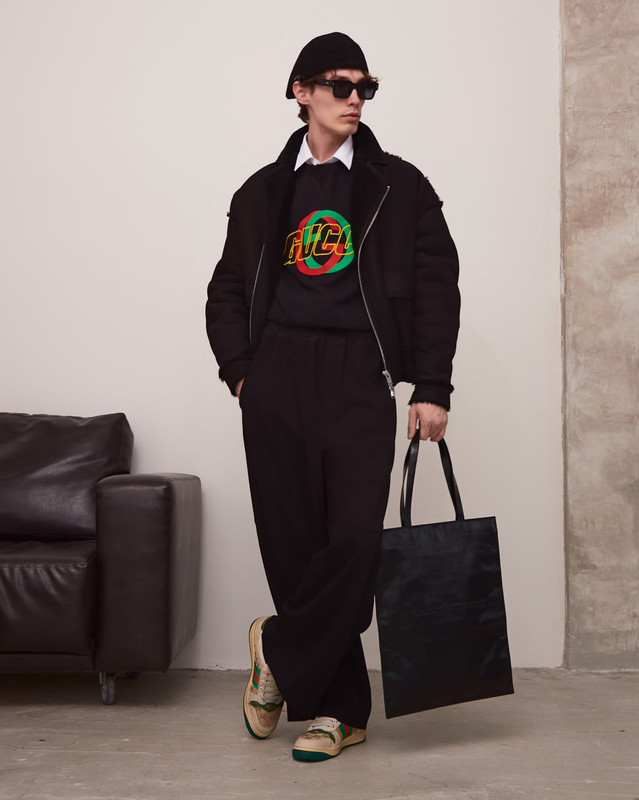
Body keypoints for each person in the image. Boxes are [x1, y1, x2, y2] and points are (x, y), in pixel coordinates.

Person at [205, 31, 460, 762]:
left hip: (357, 372)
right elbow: (226, 290)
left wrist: (431, 385)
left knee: (352, 540)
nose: (355, 100)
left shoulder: (398, 186)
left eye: (364, 88)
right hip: (277, 374)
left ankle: (277, 649)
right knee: (294, 547)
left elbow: (436, 289)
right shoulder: (261, 191)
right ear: (302, 93)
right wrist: (242, 372)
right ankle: (340, 712)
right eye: (340, 86)